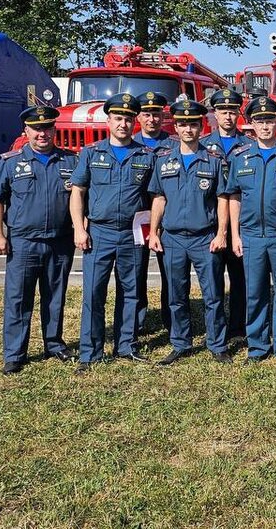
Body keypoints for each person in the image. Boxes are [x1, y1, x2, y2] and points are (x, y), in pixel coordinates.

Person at [0, 105, 78, 375]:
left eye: (47, 127)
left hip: (60, 241)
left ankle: (53, 342)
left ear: (54, 129)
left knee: (55, 296)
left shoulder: (70, 162)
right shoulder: (10, 162)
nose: (42, 133)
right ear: (25, 131)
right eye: (36, 129)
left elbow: (80, 196)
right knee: (18, 298)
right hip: (24, 242)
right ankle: (15, 353)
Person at [70, 94, 156, 373]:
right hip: (99, 233)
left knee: (130, 291)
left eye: (128, 119)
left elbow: (155, 197)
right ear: (108, 121)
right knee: (93, 293)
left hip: (132, 234)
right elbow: (78, 192)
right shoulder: (91, 153)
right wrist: (79, 228)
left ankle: (126, 346)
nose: (123, 124)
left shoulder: (146, 156)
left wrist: (151, 231)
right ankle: (90, 353)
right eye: (118, 118)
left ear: (135, 122)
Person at [223, 96, 276, 363]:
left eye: (270, 120)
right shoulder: (241, 157)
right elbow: (233, 197)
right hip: (251, 237)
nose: (265, 126)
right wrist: (235, 235)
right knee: (255, 293)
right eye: (260, 121)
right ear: (251, 124)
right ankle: (258, 346)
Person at [146, 98, 232, 366]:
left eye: (193, 124)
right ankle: (180, 343)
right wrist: (154, 231)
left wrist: (222, 233)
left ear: (201, 125)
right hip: (172, 238)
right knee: (175, 294)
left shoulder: (214, 161)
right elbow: (159, 198)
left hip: (205, 237)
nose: (188, 129)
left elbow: (222, 199)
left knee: (213, 294)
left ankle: (217, 344)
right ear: (177, 127)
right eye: (182, 124)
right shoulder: (163, 161)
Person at [200, 88, 251, 338]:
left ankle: (238, 326)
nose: (228, 116)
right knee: (214, 279)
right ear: (215, 114)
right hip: (211, 222)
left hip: (242, 223)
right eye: (222, 111)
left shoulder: (249, 146)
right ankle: (217, 326)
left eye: (232, 111)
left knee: (241, 278)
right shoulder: (203, 147)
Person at [129, 90, 172, 341]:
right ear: (139, 117)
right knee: (136, 272)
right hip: (136, 218)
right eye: (146, 114)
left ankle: (171, 321)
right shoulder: (131, 143)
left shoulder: (174, 145)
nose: (152, 119)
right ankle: (136, 321)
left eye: (156, 114)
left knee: (170, 273)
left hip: (167, 218)